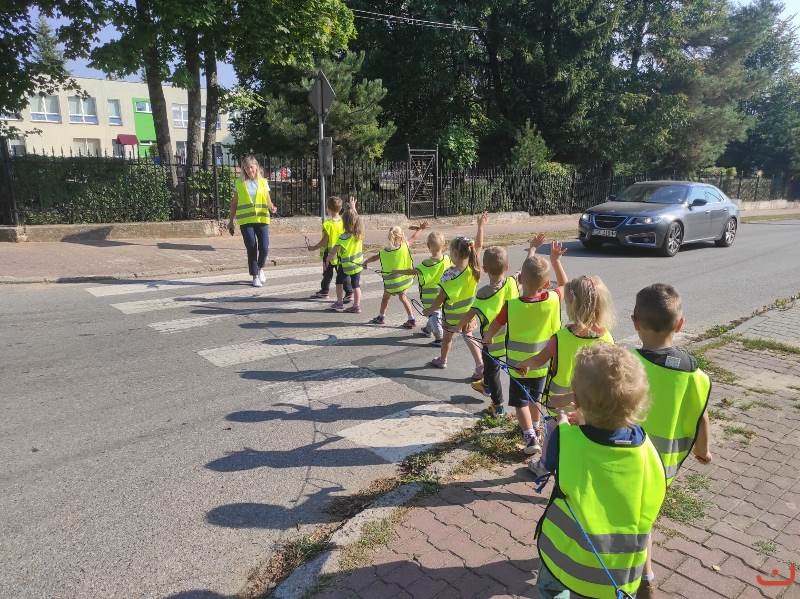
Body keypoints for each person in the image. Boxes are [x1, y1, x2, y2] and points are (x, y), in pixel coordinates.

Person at [536, 343, 667, 599]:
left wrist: (559, 428)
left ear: (576, 399)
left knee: (549, 588)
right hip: (621, 570)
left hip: (567, 558)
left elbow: (546, 464)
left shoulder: (566, 438)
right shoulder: (646, 447)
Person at [632, 283, 712, 597]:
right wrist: (703, 451)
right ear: (680, 324)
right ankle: (646, 574)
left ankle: (639, 572)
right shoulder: (694, 375)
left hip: (625, 458)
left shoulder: (628, 364)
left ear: (635, 322)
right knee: (645, 517)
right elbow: (701, 417)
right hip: (664, 467)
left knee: (632, 518)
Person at [518, 274, 615, 477]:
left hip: (559, 402)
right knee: (584, 434)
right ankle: (578, 467)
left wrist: (525, 364)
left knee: (553, 433)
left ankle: (544, 465)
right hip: (589, 403)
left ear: (572, 307)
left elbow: (539, 360)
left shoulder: (560, 338)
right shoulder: (607, 339)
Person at [482, 240, 568, 454]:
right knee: (534, 399)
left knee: (520, 402)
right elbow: (565, 285)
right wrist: (556, 261)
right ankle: (536, 428)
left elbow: (496, 324)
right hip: (542, 364)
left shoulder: (512, 306)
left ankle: (529, 436)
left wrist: (488, 337)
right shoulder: (553, 300)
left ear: (520, 280)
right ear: (546, 284)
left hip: (517, 366)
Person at [458, 242, 525, 416]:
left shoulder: (484, 293)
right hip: (510, 338)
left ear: (485, 269)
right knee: (489, 367)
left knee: (493, 370)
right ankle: (485, 385)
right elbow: (523, 271)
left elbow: (471, 312)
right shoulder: (512, 282)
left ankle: (498, 405)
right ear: (507, 267)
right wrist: (532, 249)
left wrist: (457, 327)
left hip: (492, 340)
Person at [422, 213, 487, 377]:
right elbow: (479, 245)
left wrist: (430, 310)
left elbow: (441, 297)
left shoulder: (449, 274)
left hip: (452, 316)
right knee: (469, 337)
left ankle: (442, 360)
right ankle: (480, 365)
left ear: (455, 254)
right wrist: (480, 226)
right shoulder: (473, 268)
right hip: (468, 314)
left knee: (447, 338)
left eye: (451, 252)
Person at [389, 230, 451, 346]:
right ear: (444, 245)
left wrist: (397, 271)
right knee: (435, 312)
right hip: (444, 293)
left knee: (433, 314)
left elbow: (413, 271)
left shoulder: (426, 264)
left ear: (428, 246)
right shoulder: (447, 259)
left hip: (430, 296)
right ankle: (428, 329)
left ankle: (439, 338)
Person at [228, 155, 277, 287]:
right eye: (246, 168)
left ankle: (260, 268)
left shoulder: (263, 182)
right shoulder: (239, 183)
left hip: (262, 218)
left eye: (251, 167)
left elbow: (268, 201)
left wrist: (272, 207)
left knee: (264, 247)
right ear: (243, 169)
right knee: (251, 247)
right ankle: (255, 276)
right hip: (246, 220)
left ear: (256, 167)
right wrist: (231, 221)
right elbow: (234, 203)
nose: (249, 170)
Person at [363, 224, 426, 327]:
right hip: (405, 281)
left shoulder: (384, 251)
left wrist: (366, 262)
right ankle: (411, 318)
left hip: (391, 283)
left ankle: (381, 317)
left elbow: (374, 257)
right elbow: (414, 237)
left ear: (389, 236)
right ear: (402, 236)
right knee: (403, 297)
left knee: (385, 298)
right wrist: (421, 229)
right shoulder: (405, 245)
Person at [307, 195, 352, 303]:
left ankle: (324, 291)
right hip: (341, 252)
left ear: (328, 209)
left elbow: (324, 241)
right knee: (343, 273)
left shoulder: (327, 224)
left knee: (327, 273)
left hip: (329, 253)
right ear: (340, 209)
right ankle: (349, 292)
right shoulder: (343, 221)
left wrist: (313, 248)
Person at [324, 197, 364, 313]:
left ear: (344, 224)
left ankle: (339, 302)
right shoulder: (358, 234)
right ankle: (356, 306)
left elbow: (333, 251)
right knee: (356, 285)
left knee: (339, 282)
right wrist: (353, 208)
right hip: (357, 265)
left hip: (346, 266)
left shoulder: (343, 238)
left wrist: (327, 259)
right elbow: (358, 220)